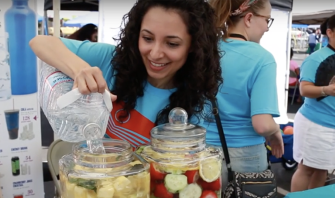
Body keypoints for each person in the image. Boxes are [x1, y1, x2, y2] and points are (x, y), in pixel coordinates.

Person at [29, 0, 222, 147]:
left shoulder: (197, 102)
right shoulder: (111, 60)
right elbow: (40, 42)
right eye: (147, 38)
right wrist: (79, 69)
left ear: (194, 46)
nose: (155, 53)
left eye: (172, 44)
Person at [205, 0, 283, 174]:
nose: (267, 28)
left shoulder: (205, 51)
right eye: (267, 20)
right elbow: (262, 125)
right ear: (248, 18)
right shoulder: (262, 58)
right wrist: (276, 131)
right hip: (245, 155)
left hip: (202, 152)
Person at [291, 13, 335, 193]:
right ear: (330, 32)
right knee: (306, 169)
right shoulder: (316, 58)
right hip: (315, 124)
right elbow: (304, 90)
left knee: (323, 169)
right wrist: (326, 90)